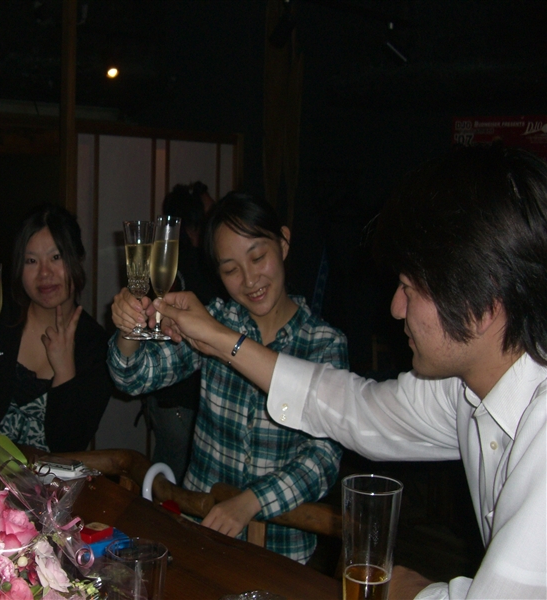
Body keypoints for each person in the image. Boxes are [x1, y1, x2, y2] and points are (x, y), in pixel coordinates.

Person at [152, 145, 547, 599]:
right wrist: (221, 339)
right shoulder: (463, 391)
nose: (395, 308)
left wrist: (412, 590)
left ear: (484, 299)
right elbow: (352, 409)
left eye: (409, 288)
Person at [108, 192, 348, 563]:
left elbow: (324, 458)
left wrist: (250, 501)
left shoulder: (323, 343)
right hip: (201, 531)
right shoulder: (216, 321)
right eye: (231, 269)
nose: (250, 279)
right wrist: (129, 330)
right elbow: (133, 377)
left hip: (281, 549)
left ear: (284, 242)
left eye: (258, 257)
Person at [0, 204, 112, 453]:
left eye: (56, 257)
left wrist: (64, 371)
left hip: (50, 477)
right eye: (31, 261)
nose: (44, 273)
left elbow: (70, 446)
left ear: (78, 258)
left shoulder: (95, 345)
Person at [143, 181, 221, 480]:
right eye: (211, 213)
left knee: (164, 472)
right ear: (193, 223)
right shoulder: (198, 266)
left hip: (163, 398)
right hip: (182, 400)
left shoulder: (174, 261)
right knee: (173, 483)